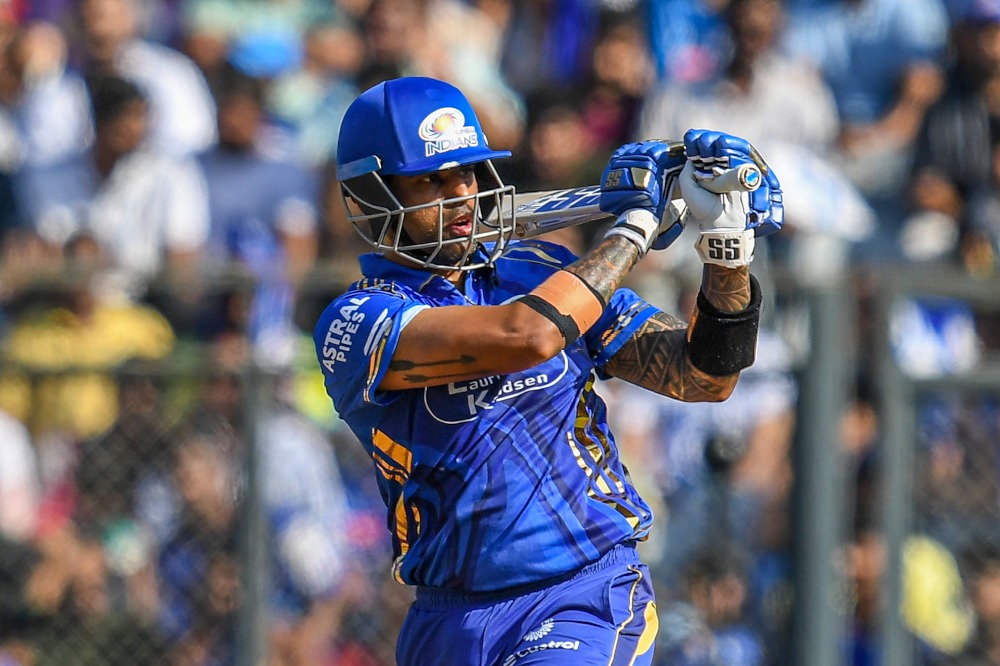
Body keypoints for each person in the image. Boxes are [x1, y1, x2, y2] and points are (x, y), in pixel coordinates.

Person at [312, 76, 783, 665]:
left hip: (583, 594)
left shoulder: (540, 269)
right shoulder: (356, 321)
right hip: (446, 617)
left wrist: (727, 248)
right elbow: (528, 335)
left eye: (467, 173)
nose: (460, 194)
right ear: (369, 196)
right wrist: (633, 229)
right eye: (430, 180)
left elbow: (703, 377)